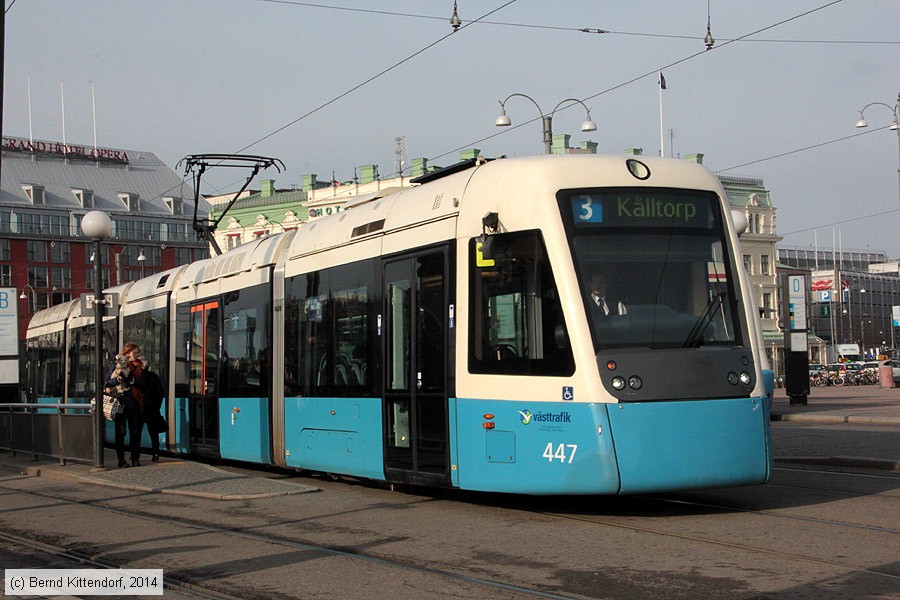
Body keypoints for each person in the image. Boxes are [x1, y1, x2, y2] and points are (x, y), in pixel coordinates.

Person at [107, 342, 143, 468]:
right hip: (120, 403)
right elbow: (107, 382)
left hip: (134, 403)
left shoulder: (139, 366)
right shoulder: (115, 365)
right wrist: (118, 379)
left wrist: (132, 379)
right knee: (121, 432)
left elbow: (142, 383)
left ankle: (135, 458)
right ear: (127, 354)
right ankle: (121, 460)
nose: (137, 355)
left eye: (138, 353)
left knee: (135, 432)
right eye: (135, 353)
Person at [139, 363, 166, 463]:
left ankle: (135, 457)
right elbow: (160, 393)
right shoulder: (154, 376)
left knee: (137, 433)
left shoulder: (136, 377)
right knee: (154, 434)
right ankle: (155, 454)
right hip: (152, 409)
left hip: (140, 409)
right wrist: (156, 406)